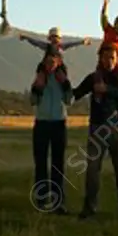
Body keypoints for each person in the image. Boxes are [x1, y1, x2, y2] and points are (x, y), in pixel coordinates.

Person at [25, 28, 90, 215]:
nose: (50, 63)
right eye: (48, 61)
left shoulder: (62, 78)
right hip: (42, 123)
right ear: (44, 62)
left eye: (53, 61)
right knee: (40, 163)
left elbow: (70, 101)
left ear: (58, 61)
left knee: (57, 164)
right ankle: (41, 198)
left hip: (59, 123)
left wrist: (66, 85)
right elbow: (33, 102)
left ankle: (57, 201)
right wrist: (37, 88)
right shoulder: (40, 78)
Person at [73, 45, 118, 219]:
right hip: (97, 129)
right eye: (106, 57)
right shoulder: (93, 78)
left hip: (117, 128)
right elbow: (75, 94)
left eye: (112, 58)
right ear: (100, 58)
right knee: (93, 171)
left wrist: (107, 90)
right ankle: (89, 208)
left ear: (117, 59)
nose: (109, 61)